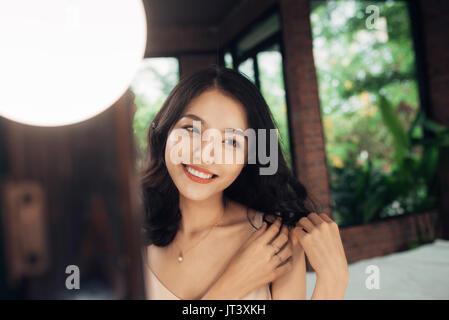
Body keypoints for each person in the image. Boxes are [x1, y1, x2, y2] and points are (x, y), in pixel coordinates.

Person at [139, 66, 349, 300]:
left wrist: (334, 279)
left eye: (231, 142)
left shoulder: (274, 241)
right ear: (167, 130)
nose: (205, 155)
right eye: (191, 129)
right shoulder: (130, 233)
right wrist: (229, 288)